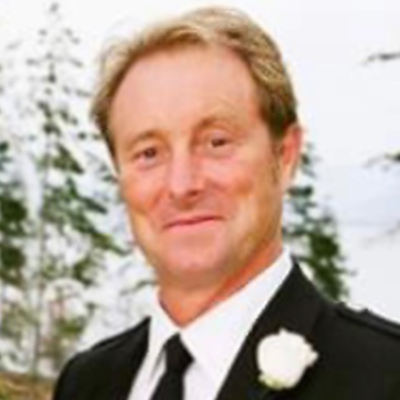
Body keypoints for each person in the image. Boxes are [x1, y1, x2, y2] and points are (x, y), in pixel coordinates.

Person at [52, 6, 400, 400]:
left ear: (285, 156)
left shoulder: (387, 376)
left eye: (216, 142)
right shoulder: (86, 383)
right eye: (149, 153)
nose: (182, 185)